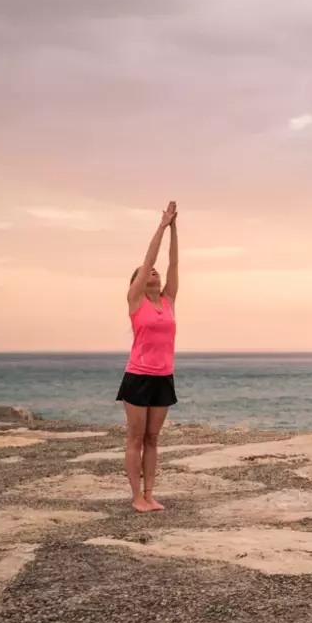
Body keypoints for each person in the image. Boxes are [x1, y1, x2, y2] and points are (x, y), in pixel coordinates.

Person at [116, 201, 179, 513]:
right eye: (146, 273)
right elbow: (151, 258)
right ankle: (136, 496)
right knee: (136, 438)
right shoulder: (135, 301)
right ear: (138, 281)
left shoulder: (168, 301)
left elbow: (173, 265)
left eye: (155, 273)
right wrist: (162, 225)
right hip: (138, 377)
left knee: (153, 439)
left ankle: (150, 494)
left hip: (163, 377)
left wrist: (175, 229)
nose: (154, 272)